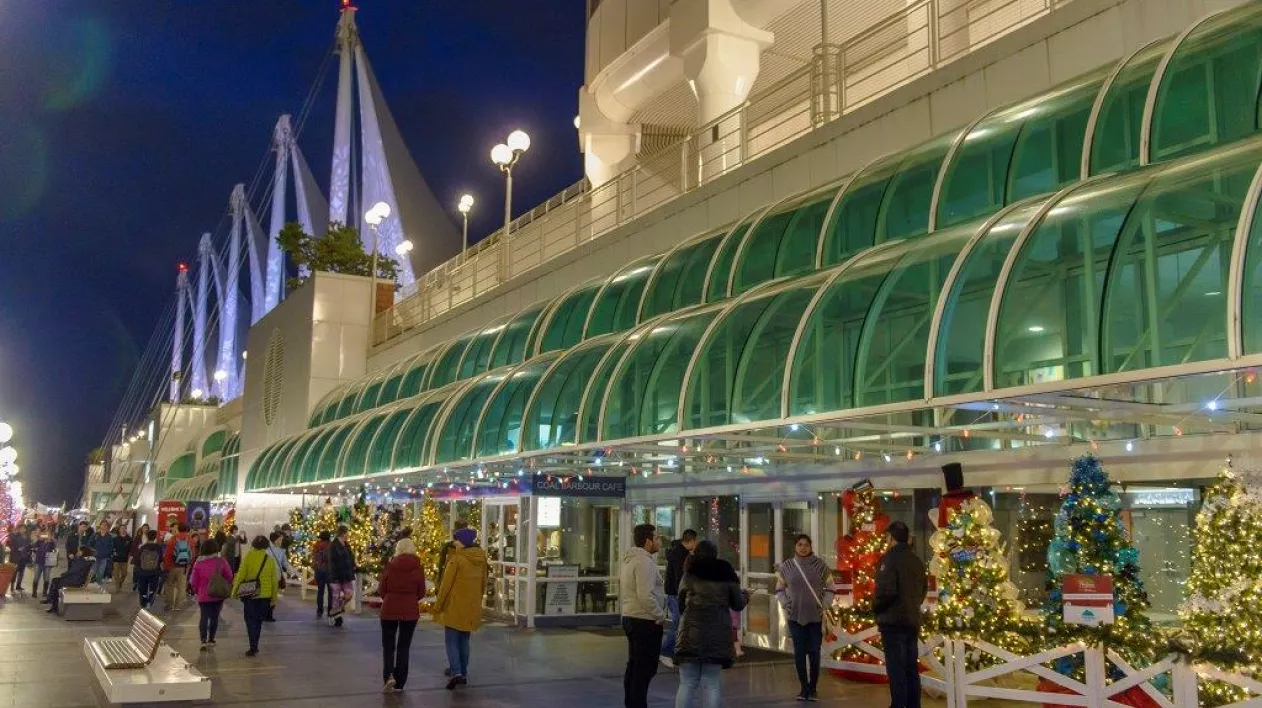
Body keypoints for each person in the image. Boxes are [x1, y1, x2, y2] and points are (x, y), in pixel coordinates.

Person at [674, 540, 748, 708]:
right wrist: (746, 596)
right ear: (715, 553)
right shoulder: (726, 571)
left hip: (690, 632)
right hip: (717, 632)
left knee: (687, 683)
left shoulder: (689, 572)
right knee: (711, 682)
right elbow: (737, 604)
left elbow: (680, 604)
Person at [874, 520, 928, 708]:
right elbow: (923, 590)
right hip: (912, 620)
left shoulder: (888, 560)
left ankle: (898, 704)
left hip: (893, 622)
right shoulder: (916, 561)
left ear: (891, 537)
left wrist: (876, 608)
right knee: (911, 668)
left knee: (896, 669)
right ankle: (914, 704)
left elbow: (885, 593)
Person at [775, 534, 833, 702]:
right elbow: (779, 589)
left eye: (806, 544)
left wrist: (825, 604)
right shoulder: (787, 566)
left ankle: (813, 688)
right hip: (795, 618)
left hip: (815, 618)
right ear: (795, 547)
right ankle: (803, 688)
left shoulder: (820, 565)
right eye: (800, 544)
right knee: (799, 654)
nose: (803, 548)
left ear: (810, 546)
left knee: (814, 653)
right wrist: (786, 603)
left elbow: (830, 586)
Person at [620, 523, 668, 708]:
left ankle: (632, 703)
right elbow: (645, 594)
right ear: (648, 541)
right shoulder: (644, 562)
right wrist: (659, 615)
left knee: (635, 666)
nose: (659, 542)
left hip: (631, 617)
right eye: (656, 538)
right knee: (645, 668)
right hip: (644, 621)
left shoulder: (631, 559)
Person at [434, 527, 487, 691]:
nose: (454, 542)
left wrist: (438, 605)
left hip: (453, 606)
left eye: (456, 539)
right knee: (464, 640)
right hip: (470, 606)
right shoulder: (481, 559)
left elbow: (445, 585)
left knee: (451, 641)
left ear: (462, 541)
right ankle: (463, 673)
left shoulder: (457, 559)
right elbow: (483, 584)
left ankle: (455, 672)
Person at [378, 538, 426, 693]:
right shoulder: (418, 567)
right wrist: (411, 599)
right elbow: (421, 592)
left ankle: (388, 676)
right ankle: (400, 682)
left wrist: (389, 597)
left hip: (389, 608)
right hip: (410, 610)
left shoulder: (390, 565)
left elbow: (382, 589)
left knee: (388, 646)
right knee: (404, 647)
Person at [232, 535, 279, 657]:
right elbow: (274, 581)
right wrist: (274, 598)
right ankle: (255, 644)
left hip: (250, 595)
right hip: (265, 596)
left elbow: (241, 575)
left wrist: (234, 592)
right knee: (258, 621)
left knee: (250, 620)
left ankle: (253, 646)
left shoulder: (248, 557)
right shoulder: (270, 560)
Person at [662, 528, 698, 666]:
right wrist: (684, 593)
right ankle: (665, 652)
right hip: (676, 595)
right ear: (692, 541)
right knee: (678, 623)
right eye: (695, 542)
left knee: (680, 623)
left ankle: (676, 652)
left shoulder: (678, 552)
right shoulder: (680, 555)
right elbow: (680, 577)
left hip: (675, 594)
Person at [189, 539, 234, 650]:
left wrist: (196, 591)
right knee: (215, 617)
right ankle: (211, 639)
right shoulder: (221, 561)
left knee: (204, 617)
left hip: (203, 595)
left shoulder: (198, 563)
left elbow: (193, 581)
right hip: (218, 594)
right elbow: (229, 576)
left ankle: (203, 641)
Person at [44, 546, 95, 614]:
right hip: (76, 579)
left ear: (83, 552)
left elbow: (73, 570)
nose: (77, 552)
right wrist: (73, 559)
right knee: (55, 581)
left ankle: (53, 605)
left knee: (55, 584)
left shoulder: (82, 561)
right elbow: (75, 567)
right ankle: (51, 601)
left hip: (75, 581)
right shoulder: (83, 560)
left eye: (79, 551)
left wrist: (64, 574)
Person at [328, 525, 356, 627]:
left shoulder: (347, 545)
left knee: (349, 594)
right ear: (343, 533)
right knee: (336, 597)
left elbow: (351, 558)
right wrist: (334, 575)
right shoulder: (333, 545)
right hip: (336, 575)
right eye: (347, 533)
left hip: (347, 575)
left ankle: (336, 610)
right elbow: (332, 562)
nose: (349, 535)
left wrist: (354, 566)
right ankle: (334, 616)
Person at [162, 523, 192, 611]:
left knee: (169, 585)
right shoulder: (189, 540)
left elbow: (168, 554)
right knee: (181, 586)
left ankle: (169, 605)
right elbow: (192, 554)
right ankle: (178, 606)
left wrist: (166, 566)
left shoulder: (173, 538)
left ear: (178, 529)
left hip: (171, 566)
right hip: (184, 567)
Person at [265, 531, 292, 622]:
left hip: (276, 576)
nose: (281, 541)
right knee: (269, 596)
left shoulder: (281, 551)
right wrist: (289, 570)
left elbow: (285, 563)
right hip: (268, 576)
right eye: (280, 539)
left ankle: (269, 614)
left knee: (272, 596)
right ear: (275, 540)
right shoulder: (266, 550)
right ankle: (267, 614)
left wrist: (289, 570)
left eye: (281, 539)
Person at [135, 529, 165, 609]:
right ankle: (149, 602)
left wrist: (138, 569)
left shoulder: (143, 547)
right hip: (154, 572)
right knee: (153, 588)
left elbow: (137, 560)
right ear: (155, 537)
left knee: (142, 589)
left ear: (147, 537)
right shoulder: (158, 547)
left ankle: (143, 603)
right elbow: (161, 560)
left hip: (143, 572)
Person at [436, 518, 468, 589]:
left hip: (451, 585)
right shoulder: (474, 549)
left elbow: (441, 566)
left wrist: (439, 582)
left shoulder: (448, 547)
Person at [311, 530, 332, 619]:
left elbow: (314, 558)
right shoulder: (331, 545)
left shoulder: (316, 545)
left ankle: (319, 609)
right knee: (331, 592)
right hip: (329, 571)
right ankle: (330, 610)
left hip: (319, 571)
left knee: (320, 591)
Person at [6, 526, 31, 593]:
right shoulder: (15, 536)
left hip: (24, 557)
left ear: (25, 529)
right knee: (14, 572)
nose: (22, 530)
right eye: (21, 529)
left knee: (21, 573)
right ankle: (12, 586)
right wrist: (17, 549)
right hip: (16, 557)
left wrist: (28, 550)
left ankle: (18, 586)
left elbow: (29, 546)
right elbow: (10, 545)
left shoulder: (28, 537)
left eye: (24, 529)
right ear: (19, 530)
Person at [31, 532, 56, 598]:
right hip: (39, 562)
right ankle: (34, 592)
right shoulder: (40, 541)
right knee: (36, 577)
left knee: (46, 578)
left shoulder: (51, 542)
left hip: (47, 563)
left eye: (48, 535)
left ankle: (44, 592)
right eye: (46, 535)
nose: (46, 536)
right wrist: (39, 539)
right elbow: (34, 547)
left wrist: (51, 540)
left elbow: (54, 548)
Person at [111, 524, 133, 593]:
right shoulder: (115, 538)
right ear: (119, 530)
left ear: (126, 529)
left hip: (125, 559)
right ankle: (117, 588)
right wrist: (114, 552)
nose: (123, 530)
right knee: (116, 574)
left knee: (124, 574)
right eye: (121, 528)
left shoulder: (129, 539)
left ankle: (120, 582)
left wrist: (130, 554)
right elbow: (112, 547)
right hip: (116, 559)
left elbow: (131, 548)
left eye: (124, 528)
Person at [130, 523, 150, 591]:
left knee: (143, 571)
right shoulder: (138, 537)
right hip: (138, 556)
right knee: (136, 570)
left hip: (146, 557)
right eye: (144, 528)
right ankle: (135, 582)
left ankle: (141, 583)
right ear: (142, 528)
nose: (145, 529)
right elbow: (133, 546)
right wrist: (133, 554)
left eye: (147, 528)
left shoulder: (149, 537)